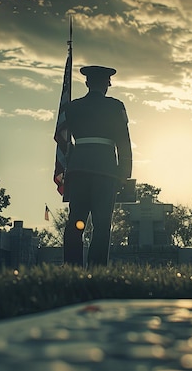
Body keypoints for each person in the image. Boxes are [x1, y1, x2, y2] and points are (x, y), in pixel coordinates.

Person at [62, 65, 132, 267]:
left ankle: (72, 266)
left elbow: (65, 141)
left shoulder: (72, 107)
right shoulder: (115, 106)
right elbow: (123, 141)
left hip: (78, 168)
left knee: (76, 219)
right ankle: (97, 267)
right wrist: (124, 173)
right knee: (102, 223)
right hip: (105, 170)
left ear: (87, 83)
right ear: (107, 85)